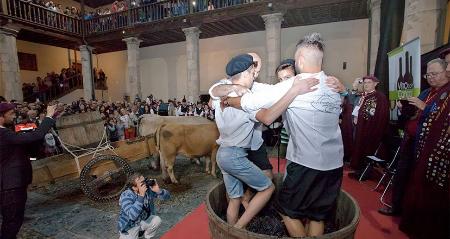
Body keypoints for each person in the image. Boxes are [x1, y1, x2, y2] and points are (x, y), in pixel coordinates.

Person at [228, 33, 344, 237]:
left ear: (299, 60)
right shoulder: (335, 86)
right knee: (317, 216)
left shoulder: (295, 85)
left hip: (306, 163)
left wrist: (230, 101)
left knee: (287, 211)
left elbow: (252, 103)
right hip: (334, 165)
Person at [209, 53, 278, 229]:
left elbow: (213, 92)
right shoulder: (247, 100)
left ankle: (231, 232)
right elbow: (267, 118)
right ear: (247, 73)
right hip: (235, 155)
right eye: (254, 73)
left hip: (222, 153)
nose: (255, 76)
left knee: (234, 199)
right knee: (268, 188)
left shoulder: (221, 96)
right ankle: (239, 228)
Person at [399, 57, 449, 239]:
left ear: (445, 72)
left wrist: (424, 108)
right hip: (412, 142)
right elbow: (412, 111)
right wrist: (404, 106)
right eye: (428, 74)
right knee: (405, 178)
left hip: (431, 149)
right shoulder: (427, 91)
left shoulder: (446, 93)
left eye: (434, 74)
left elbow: (440, 118)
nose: (430, 77)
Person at [0, 103, 56, 239]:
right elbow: (36, 136)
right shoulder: (3, 133)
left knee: (10, 223)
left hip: (7, 185)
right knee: (12, 223)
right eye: (11, 114)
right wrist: (48, 117)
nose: (14, 116)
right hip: (10, 186)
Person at [349, 75, 389, 178]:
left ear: (375, 84)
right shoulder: (363, 96)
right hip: (360, 128)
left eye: (369, 82)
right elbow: (352, 102)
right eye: (365, 83)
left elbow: (381, 116)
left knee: (368, 149)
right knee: (359, 147)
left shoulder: (380, 97)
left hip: (371, 130)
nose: (366, 85)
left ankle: (366, 171)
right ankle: (358, 168)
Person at [118, 173, 170, 239]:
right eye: (142, 182)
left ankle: (147, 237)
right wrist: (141, 195)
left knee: (156, 220)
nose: (145, 184)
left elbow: (167, 197)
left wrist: (158, 190)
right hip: (130, 225)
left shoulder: (148, 190)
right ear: (134, 187)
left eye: (145, 180)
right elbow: (132, 216)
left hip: (143, 220)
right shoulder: (126, 195)